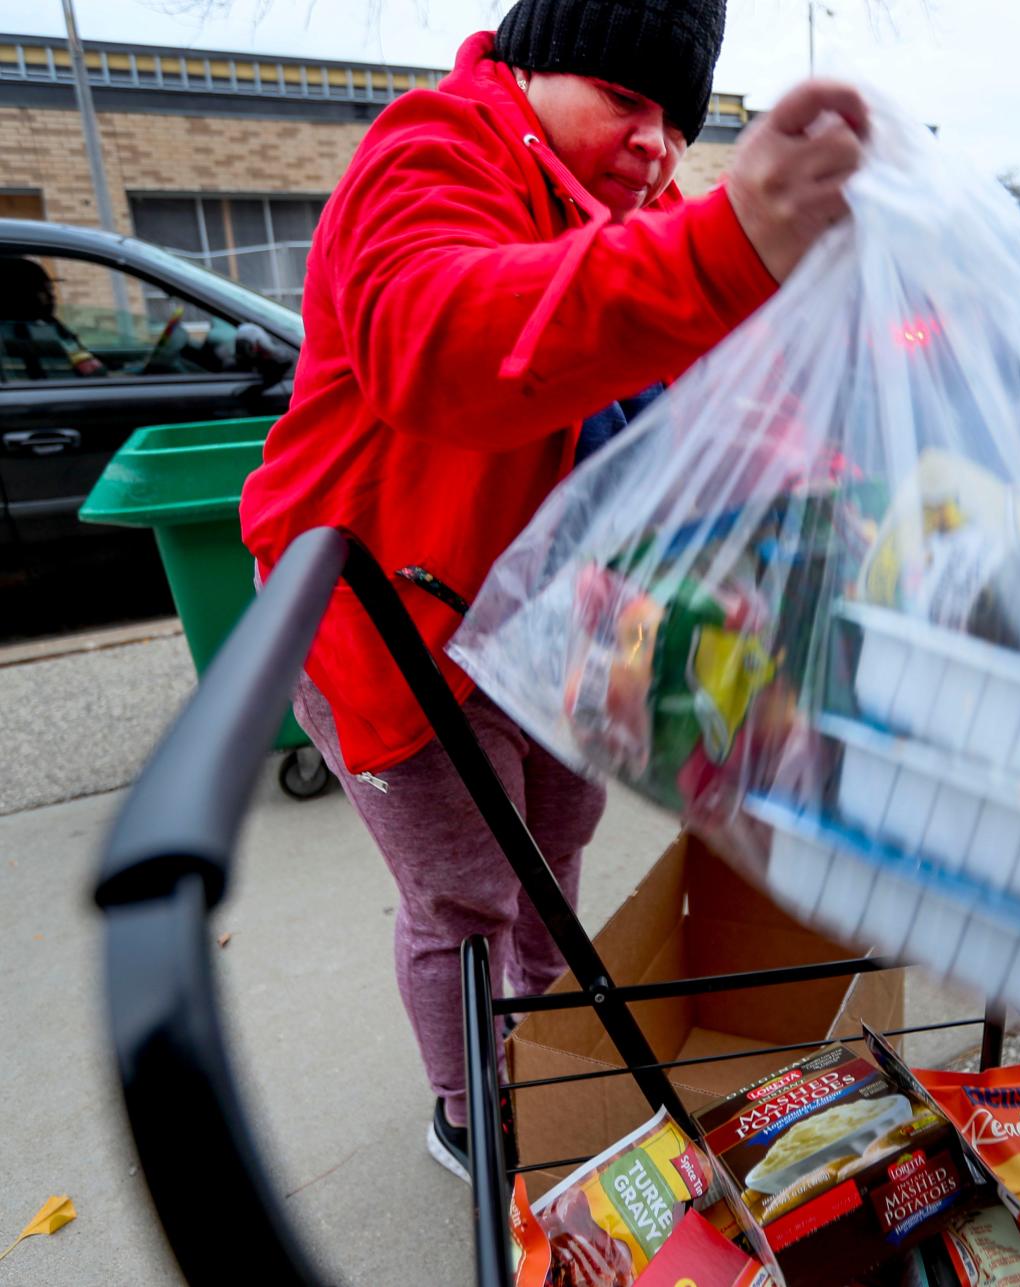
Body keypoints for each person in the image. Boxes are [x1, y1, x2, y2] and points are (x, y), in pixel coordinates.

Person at [239, 0, 867, 1182]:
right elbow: (443, 342)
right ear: (533, 66)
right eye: (626, 103)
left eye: (677, 122)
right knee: (463, 895)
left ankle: (547, 1037)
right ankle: (468, 1107)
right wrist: (723, 249)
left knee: (556, 841)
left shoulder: (629, 211)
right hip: (390, 613)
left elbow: (729, 395)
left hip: (547, 614)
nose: (656, 146)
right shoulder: (431, 157)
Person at [0, 257, 106, 380]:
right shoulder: (37, 334)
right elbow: (91, 370)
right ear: (24, 294)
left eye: (51, 289)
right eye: (46, 290)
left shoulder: (43, 326)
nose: (52, 296)